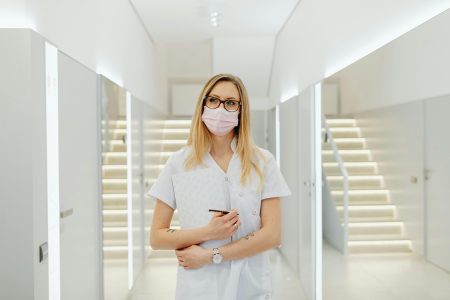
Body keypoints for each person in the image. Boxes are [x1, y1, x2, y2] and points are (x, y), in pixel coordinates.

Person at [146, 73, 291, 300]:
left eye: (230, 103)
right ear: (203, 105)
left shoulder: (262, 162)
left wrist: (212, 255)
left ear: (241, 111)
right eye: (213, 100)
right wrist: (208, 232)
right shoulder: (179, 162)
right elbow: (157, 237)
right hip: (199, 287)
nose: (220, 109)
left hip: (250, 285)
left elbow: (272, 234)